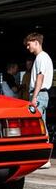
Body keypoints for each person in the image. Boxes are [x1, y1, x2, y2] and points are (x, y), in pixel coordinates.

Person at [24, 32, 53, 169]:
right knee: (42, 125)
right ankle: (44, 158)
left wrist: (34, 97)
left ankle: (45, 159)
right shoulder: (43, 57)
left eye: (29, 44)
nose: (27, 47)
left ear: (36, 42)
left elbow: (40, 78)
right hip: (41, 94)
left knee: (41, 127)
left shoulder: (41, 57)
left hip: (39, 94)